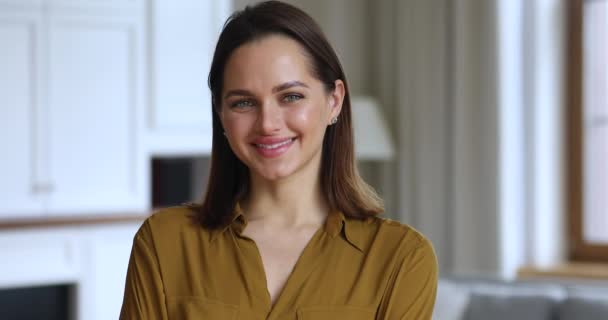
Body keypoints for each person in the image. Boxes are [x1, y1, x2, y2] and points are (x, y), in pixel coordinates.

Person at [120, 1, 437, 319]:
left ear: (334, 101)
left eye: (291, 96)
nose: (268, 123)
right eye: (243, 102)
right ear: (220, 113)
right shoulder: (164, 242)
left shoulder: (401, 257)